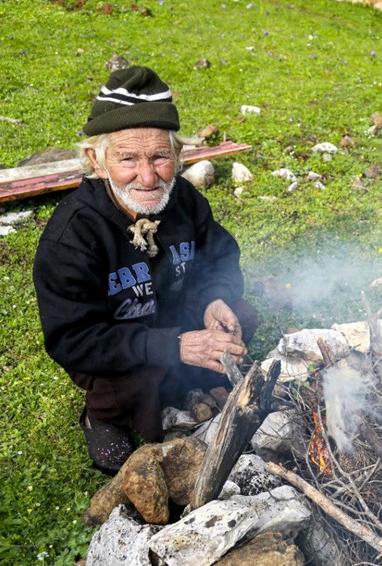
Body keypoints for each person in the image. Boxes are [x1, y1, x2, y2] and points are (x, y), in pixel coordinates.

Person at [33, 65, 257, 474]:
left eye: (160, 156)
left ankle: (190, 382)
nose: (148, 177)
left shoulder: (184, 200)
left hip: (175, 321)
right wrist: (175, 346)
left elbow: (219, 257)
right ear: (97, 161)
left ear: (178, 155)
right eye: (128, 159)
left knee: (240, 315)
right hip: (123, 346)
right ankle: (102, 416)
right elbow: (73, 339)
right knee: (125, 383)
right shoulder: (72, 234)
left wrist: (214, 299)